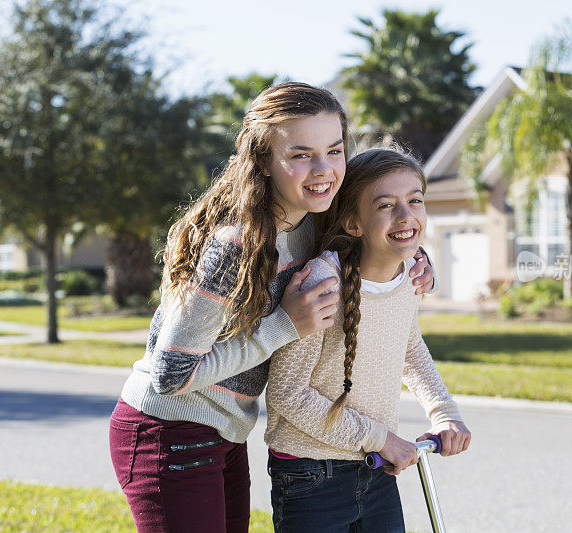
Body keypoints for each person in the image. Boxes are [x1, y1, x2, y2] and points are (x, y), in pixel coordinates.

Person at [108, 83, 435, 533]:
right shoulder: (235, 245)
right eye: (301, 154)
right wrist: (283, 326)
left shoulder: (311, 221)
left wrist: (416, 257)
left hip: (227, 434)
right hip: (166, 430)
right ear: (263, 160)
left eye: (334, 150)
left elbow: (372, 234)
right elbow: (170, 375)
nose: (324, 169)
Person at [264, 147, 471, 533]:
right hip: (312, 472)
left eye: (415, 201)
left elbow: (410, 350)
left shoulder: (409, 273)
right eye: (385, 206)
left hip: (376, 467)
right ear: (353, 223)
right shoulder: (321, 284)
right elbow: (287, 394)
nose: (406, 216)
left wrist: (444, 412)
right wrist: (380, 439)